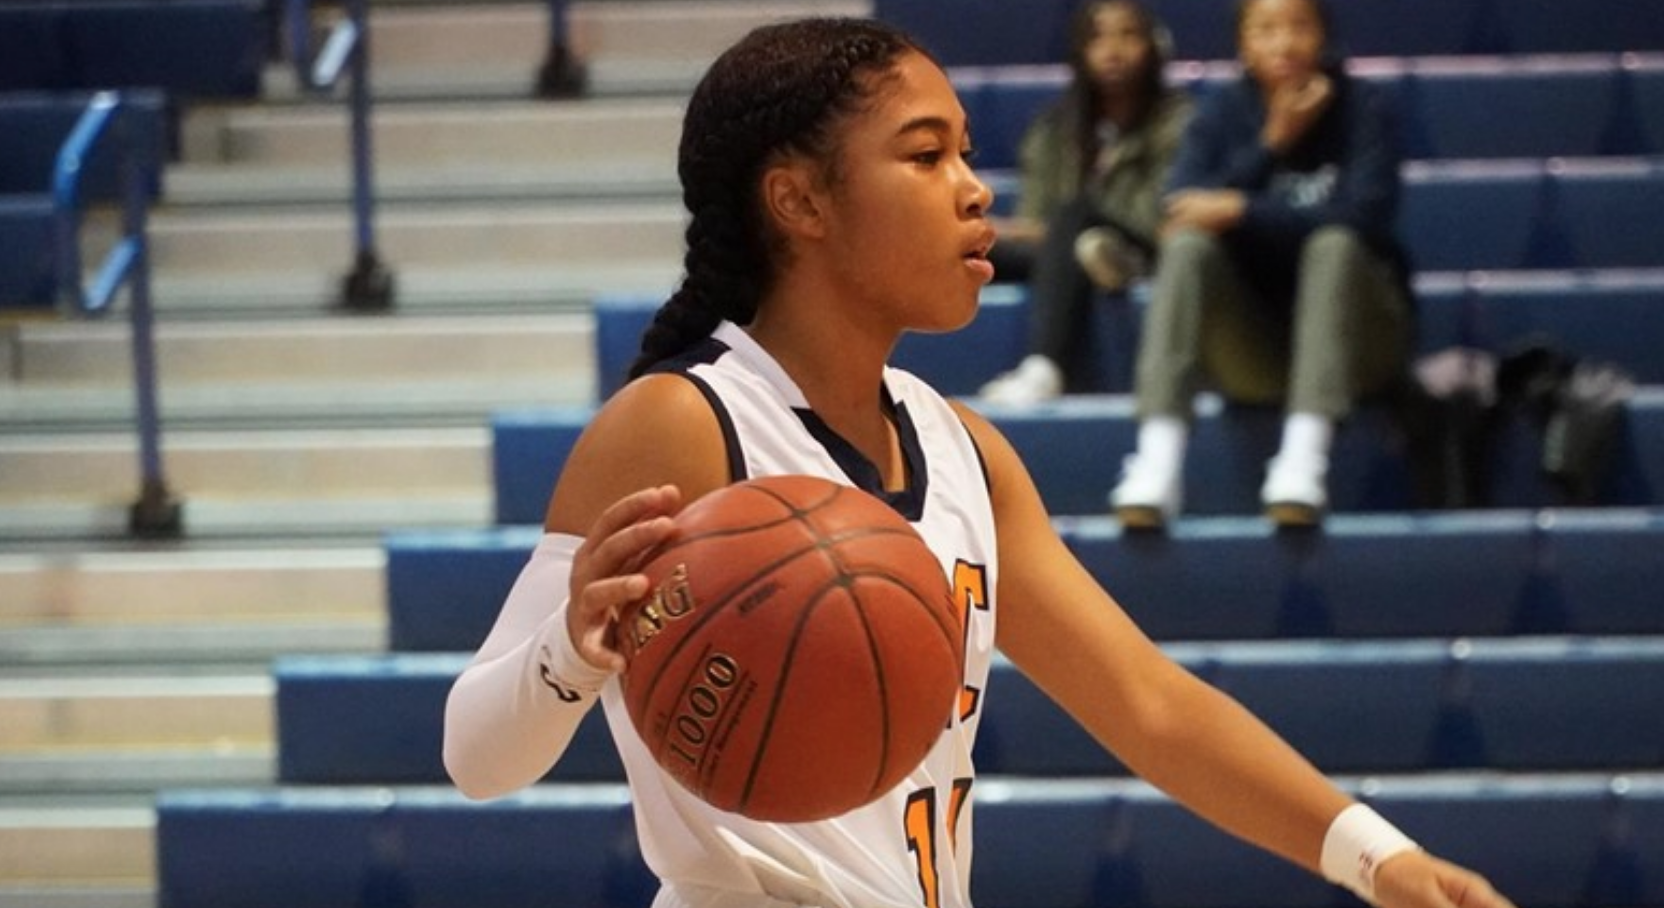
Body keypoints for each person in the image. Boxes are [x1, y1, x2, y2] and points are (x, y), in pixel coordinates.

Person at [443, 17, 1513, 908]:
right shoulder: (681, 423)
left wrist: (1375, 855)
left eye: (963, 150)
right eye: (924, 155)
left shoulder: (964, 448)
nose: (972, 188)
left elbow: (1147, 702)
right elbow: (476, 758)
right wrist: (567, 653)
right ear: (798, 202)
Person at [1108, 0, 1415, 529]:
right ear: (1243, 44)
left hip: (1361, 345)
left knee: (1333, 244)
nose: (1284, 43)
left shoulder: (1364, 107)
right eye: (1266, 29)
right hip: (1258, 352)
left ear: (1324, 36)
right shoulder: (1222, 112)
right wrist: (1272, 143)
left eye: (1299, 26)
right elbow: (1178, 210)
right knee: (1187, 248)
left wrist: (1241, 209)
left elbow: (1368, 217)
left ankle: (1304, 459)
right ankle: (1156, 463)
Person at [979, 0, 1193, 404]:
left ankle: (1044, 367)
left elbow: (1162, 216)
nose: (1112, 49)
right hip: (1060, 249)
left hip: (1144, 245)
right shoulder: (1053, 128)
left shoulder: (1182, 120)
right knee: (963, 245)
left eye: (1127, 35)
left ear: (1154, 46)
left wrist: (1056, 227)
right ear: (1080, 51)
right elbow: (1036, 217)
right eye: (1098, 37)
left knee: (1077, 215)